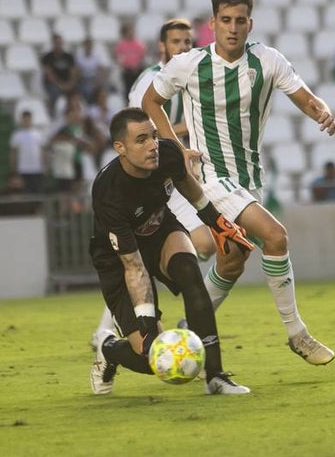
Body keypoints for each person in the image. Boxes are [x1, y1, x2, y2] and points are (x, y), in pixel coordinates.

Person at [143, 0, 335, 366]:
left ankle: (190, 327)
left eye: (241, 20)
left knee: (231, 259)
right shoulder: (190, 64)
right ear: (212, 24)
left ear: (251, 24)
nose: (233, 27)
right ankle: (297, 333)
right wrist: (175, 149)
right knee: (275, 237)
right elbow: (151, 100)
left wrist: (323, 111)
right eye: (226, 20)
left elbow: (306, 97)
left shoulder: (268, 60)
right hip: (211, 179)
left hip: (249, 179)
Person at [89, 108, 253, 396]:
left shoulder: (167, 153)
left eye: (153, 135)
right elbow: (133, 267)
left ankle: (215, 376)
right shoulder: (108, 191)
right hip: (117, 259)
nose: (153, 144)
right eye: (141, 140)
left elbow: (188, 185)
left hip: (158, 228)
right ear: (120, 149)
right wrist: (148, 325)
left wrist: (218, 223)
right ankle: (108, 348)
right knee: (152, 359)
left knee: (189, 271)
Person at [91, 19, 219, 349]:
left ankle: (194, 322)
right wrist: (177, 139)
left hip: (168, 176)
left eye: (188, 41)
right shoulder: (149, 81)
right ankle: (112, 330)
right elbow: (139, 127)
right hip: (148, 174)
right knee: (134, 266)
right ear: (162, 47)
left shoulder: (197, 76)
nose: (183, 47)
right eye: (176, 41)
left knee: (204, 246)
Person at [41, 34, 81, 114]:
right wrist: (60, 85)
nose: (58, 45)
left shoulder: (68, 57)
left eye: (60, 43)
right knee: (54, 93)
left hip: (67, 83)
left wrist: (69, 84)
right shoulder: (47, 57)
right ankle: (53, 113)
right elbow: (49, 75)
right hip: (53, 84)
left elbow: (73, 73)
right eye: (56, 43)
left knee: (78, 91)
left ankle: (76, 112)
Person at [9, 110, 46, 195]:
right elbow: (13, 153)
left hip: (36, 169)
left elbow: (42, 151)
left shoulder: (38, 134)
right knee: (25, 193)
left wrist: (44, 166)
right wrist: (13, 168)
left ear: (31, 120)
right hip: (23, 169)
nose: (26, 121)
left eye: (28, 119)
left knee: (37, 193)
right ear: (22, 120)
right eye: (24, 119)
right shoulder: (16, 135)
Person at [114, 24, 147, 93]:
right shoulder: (121, 45)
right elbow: (119, 59)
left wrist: (137, 66)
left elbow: (142, 56)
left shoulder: (138, 43)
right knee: (128, 91)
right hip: (127, 71)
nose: (131, 33)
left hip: (137, 70)